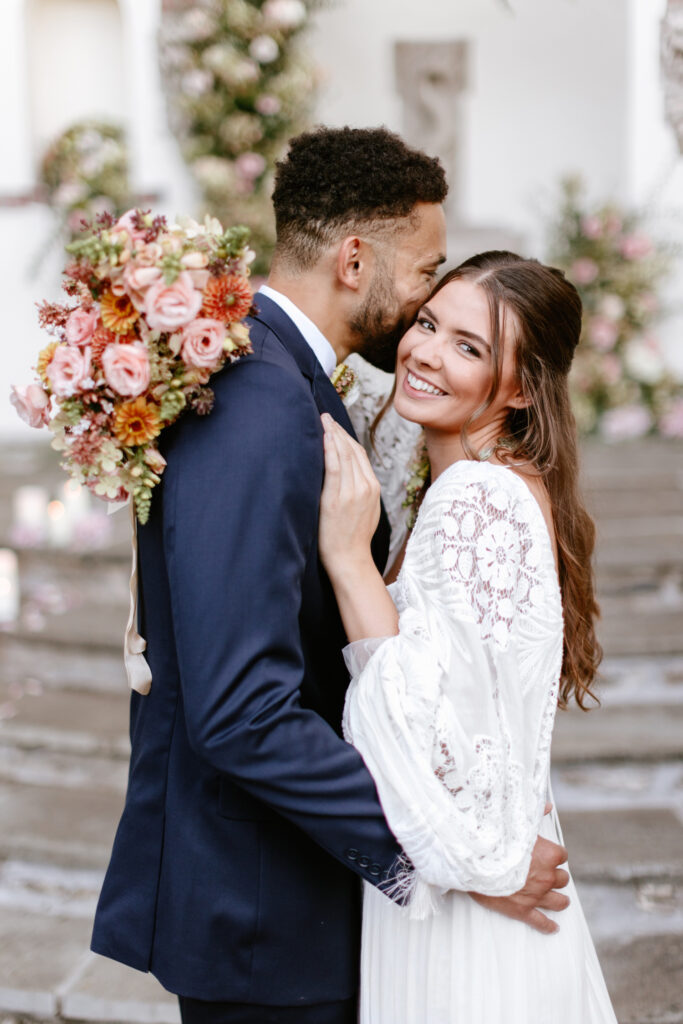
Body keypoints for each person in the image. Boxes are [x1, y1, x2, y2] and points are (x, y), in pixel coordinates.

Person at [91, 130, 571, 1024]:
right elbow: (241, 707)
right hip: (266, 909)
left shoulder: (284, 376)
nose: (428, 294)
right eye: (425, 272)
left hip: (292, 897)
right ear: (356, 260)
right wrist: (448, 850)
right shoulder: (262, 395)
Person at [318, 251, 618, 1023]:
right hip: (478, 867)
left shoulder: (478, 499)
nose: (423, 353)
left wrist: (351, 563)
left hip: (472, 893)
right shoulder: (489, 481)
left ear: (518, 389)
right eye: (427, 323)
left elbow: (427, 732)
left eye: (469, 347)